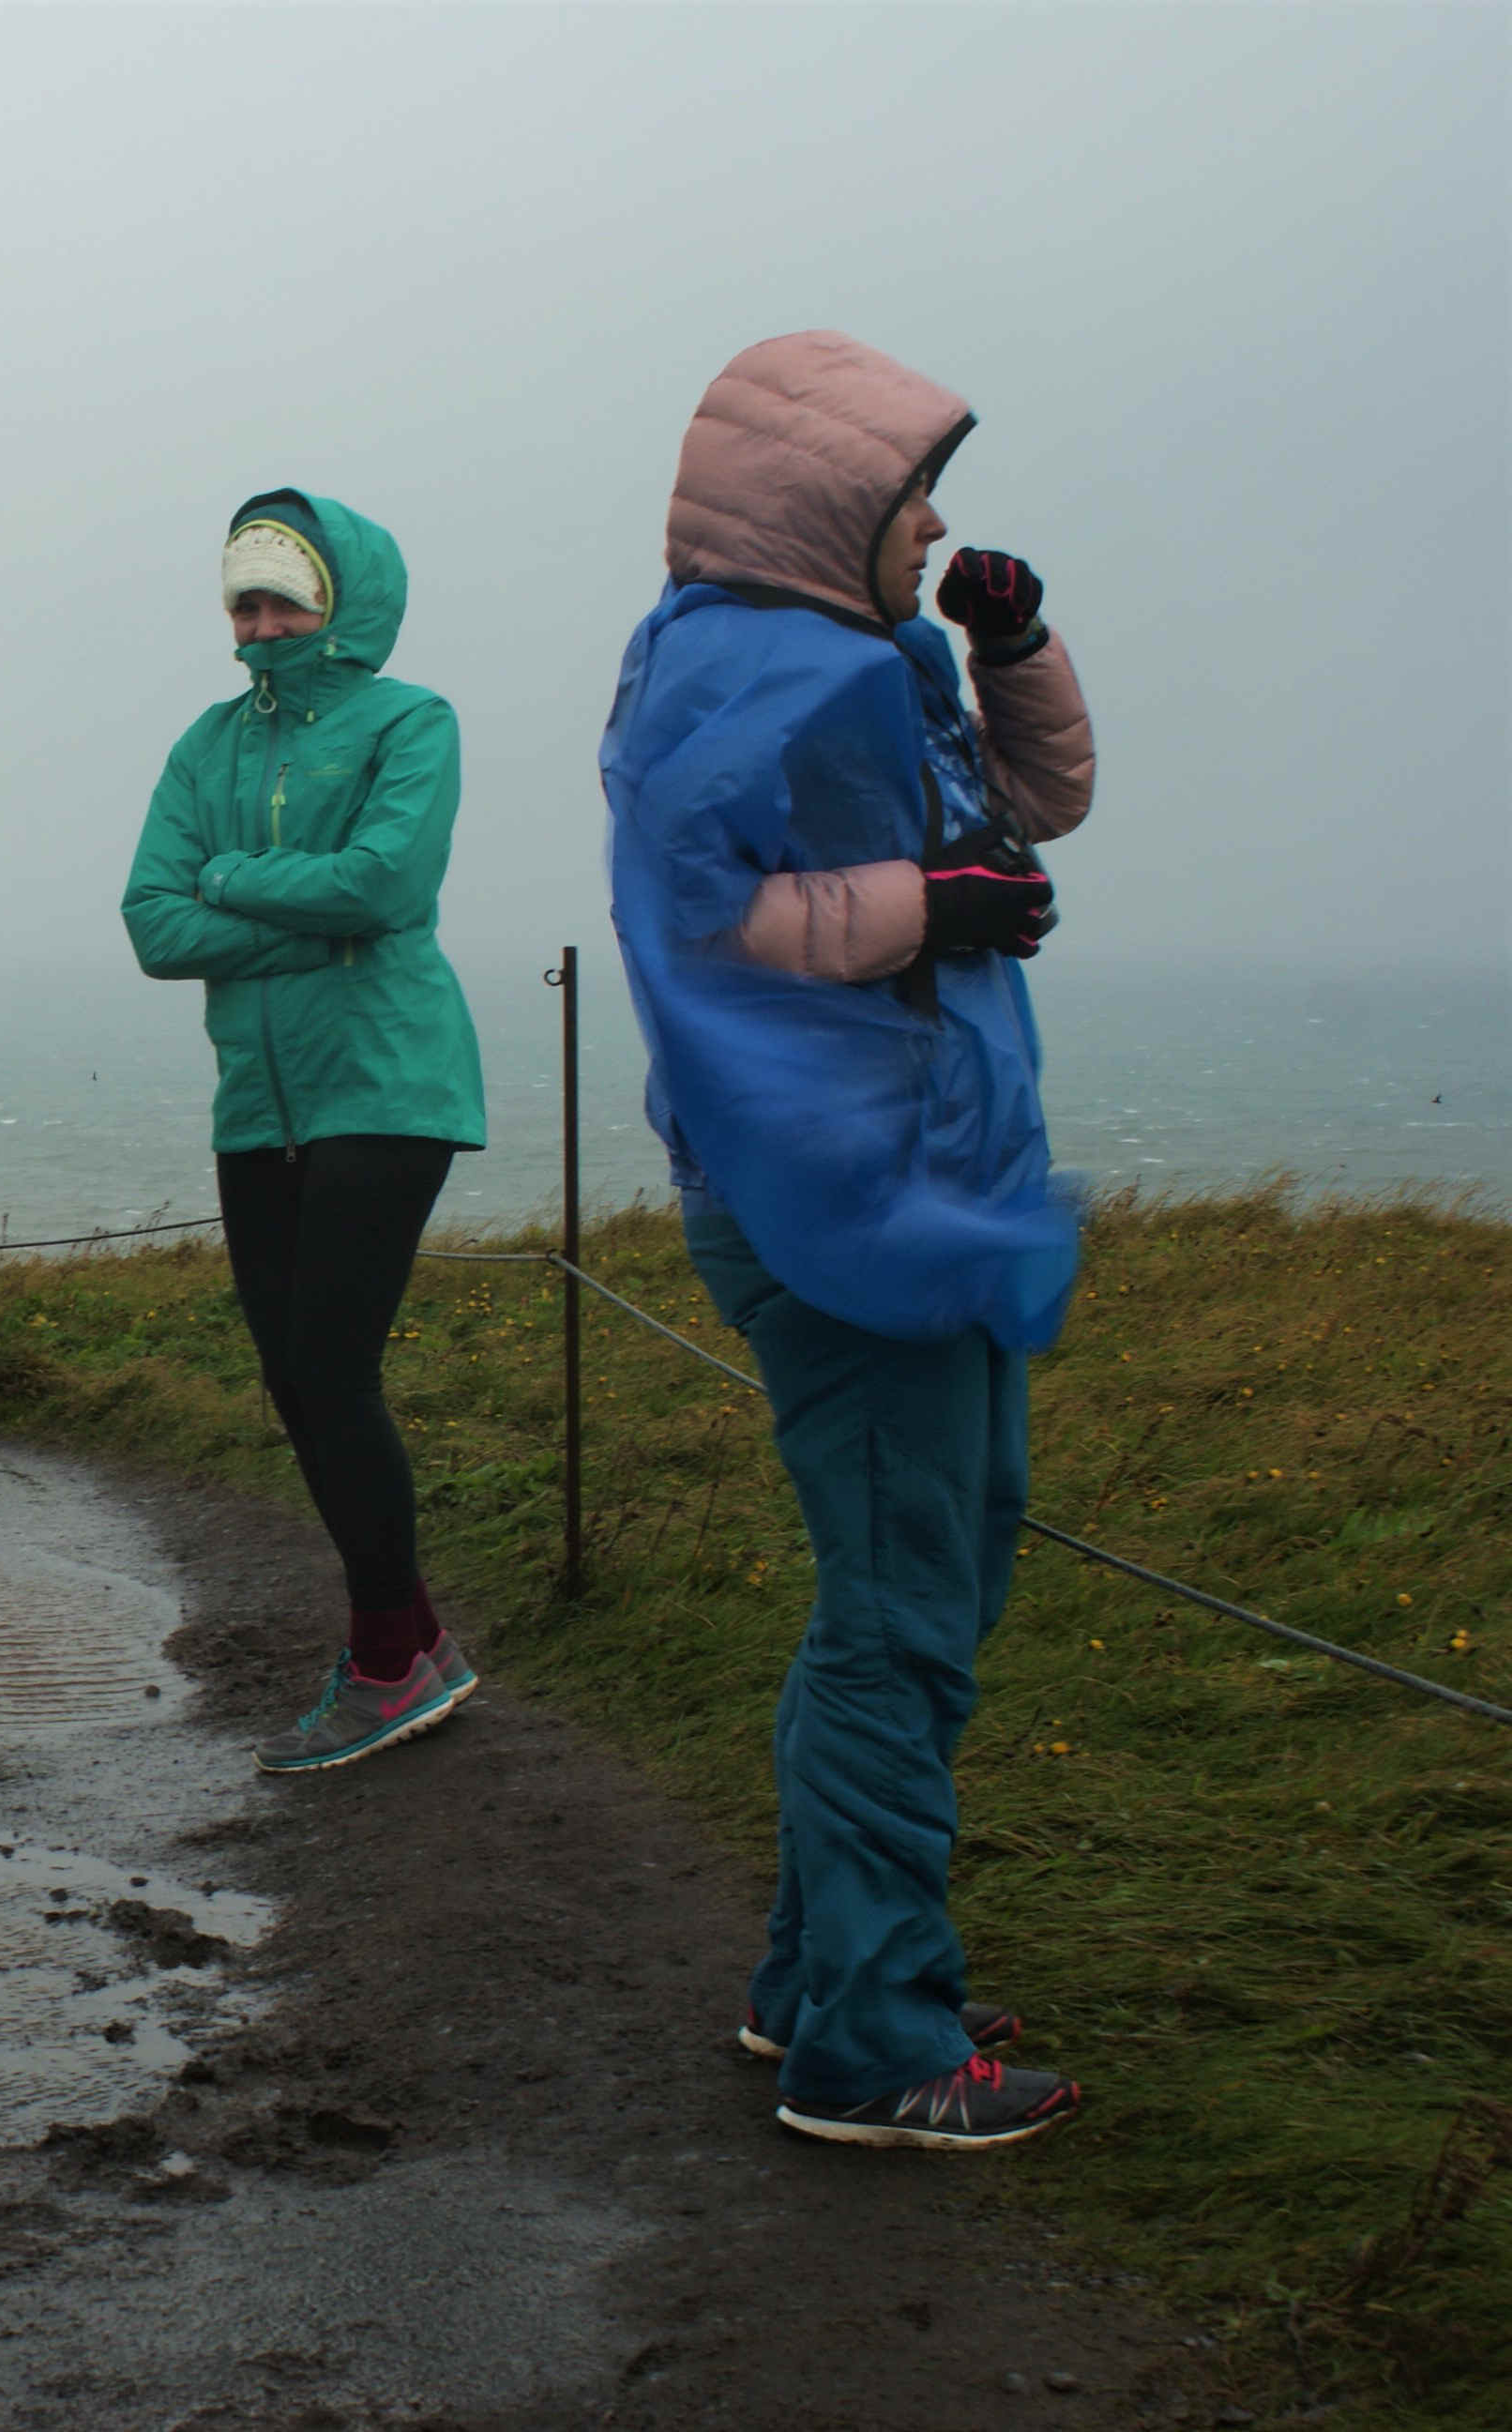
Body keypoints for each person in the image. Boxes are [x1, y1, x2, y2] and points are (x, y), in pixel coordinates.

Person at [598, 329, 1097, 2151]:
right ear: (823, 508)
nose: (934, 523)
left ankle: (819, 1975)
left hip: (912, 1181)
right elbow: (697, 915)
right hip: (838, 1204)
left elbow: (1037, 806)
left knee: (922, 1582)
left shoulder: (862, 651)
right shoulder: (737, 676)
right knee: (900, 1619)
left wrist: (1010, 647)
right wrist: (925, 907)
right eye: (908, 500)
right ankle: (874, 2046)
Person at [124, 490, 486, 1775]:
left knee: (331, 1375)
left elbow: (388, 885)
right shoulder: (204, 747)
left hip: (386, 1085)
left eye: (284, 599)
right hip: (257, 1104)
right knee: (297, 1384)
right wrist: (303, 910)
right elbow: (154, 925)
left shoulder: (410, 722)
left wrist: (231, 880)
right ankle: (420, 1642)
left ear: (342, 603)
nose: (262, 625)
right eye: (245, 603)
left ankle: (386, 1664)